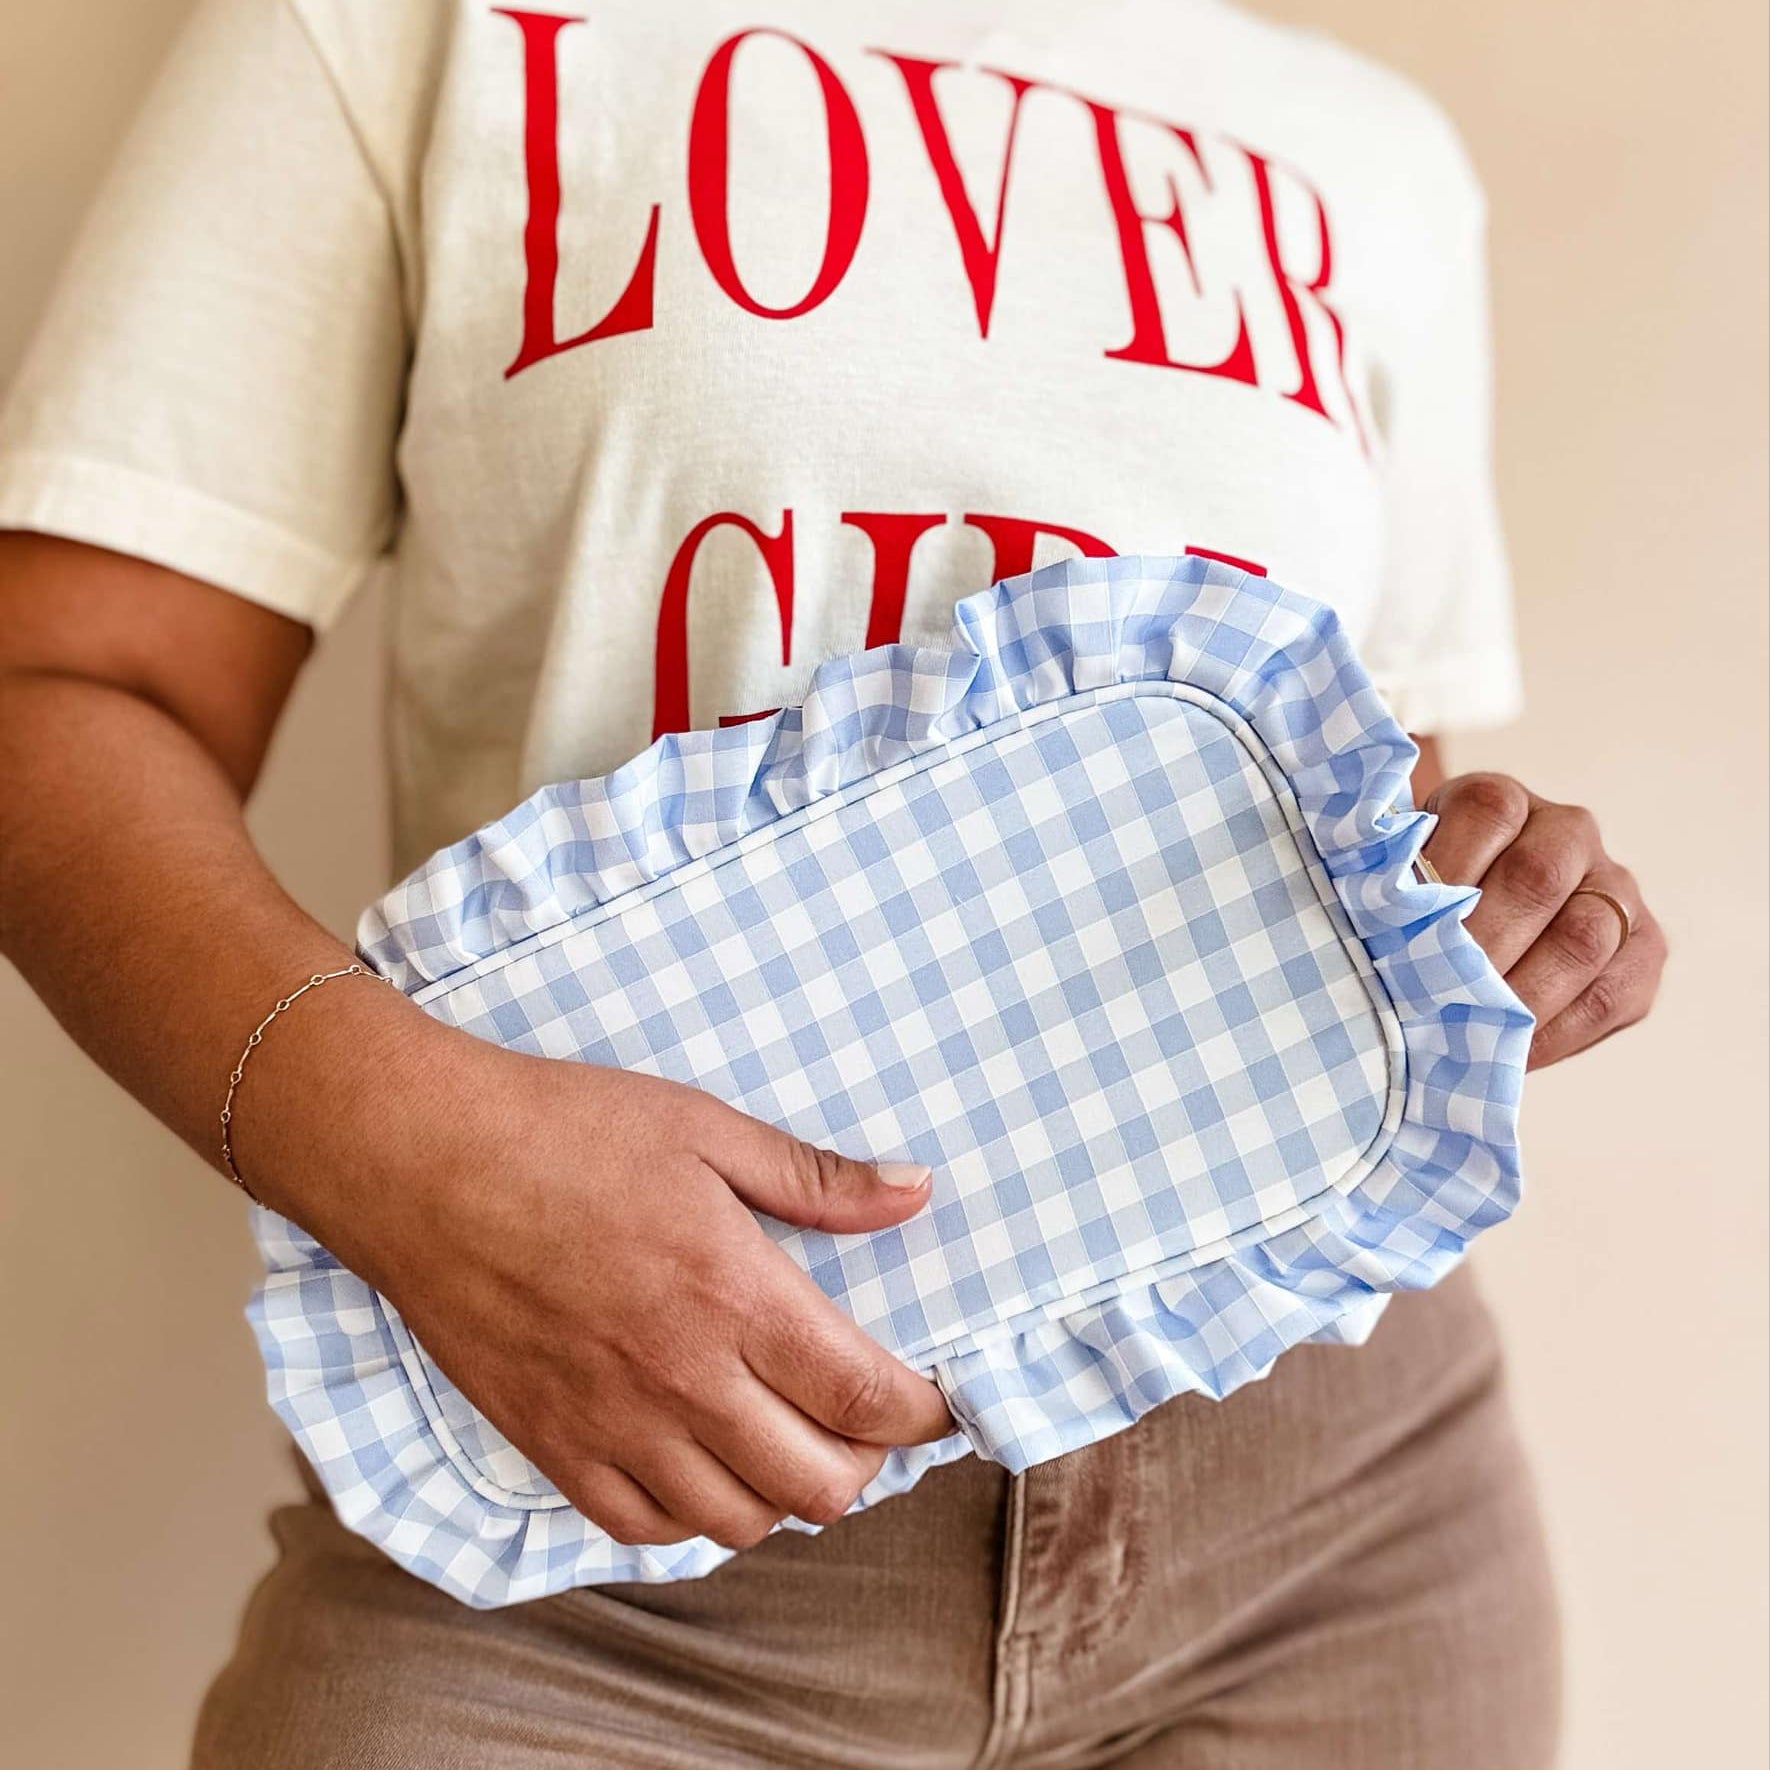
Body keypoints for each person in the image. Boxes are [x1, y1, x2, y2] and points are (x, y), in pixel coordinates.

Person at [0, 2, 1666, 1765]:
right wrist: (414, 1155)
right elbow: (65, 691)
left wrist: (1502, 921)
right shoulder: (405, 28)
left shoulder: (1371, 152)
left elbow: (1366, 811)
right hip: (597, 1537)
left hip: (1323, 1531)